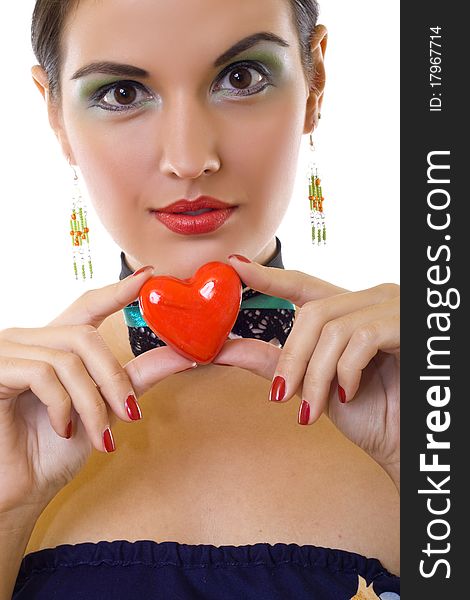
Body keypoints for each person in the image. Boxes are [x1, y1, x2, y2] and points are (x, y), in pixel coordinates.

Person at [1, 0, 400, 598]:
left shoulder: (423, 395)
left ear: (315, 82)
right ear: (56, 115)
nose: (189, 160)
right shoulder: (11, 425)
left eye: (241, 78)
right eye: (122, 93)